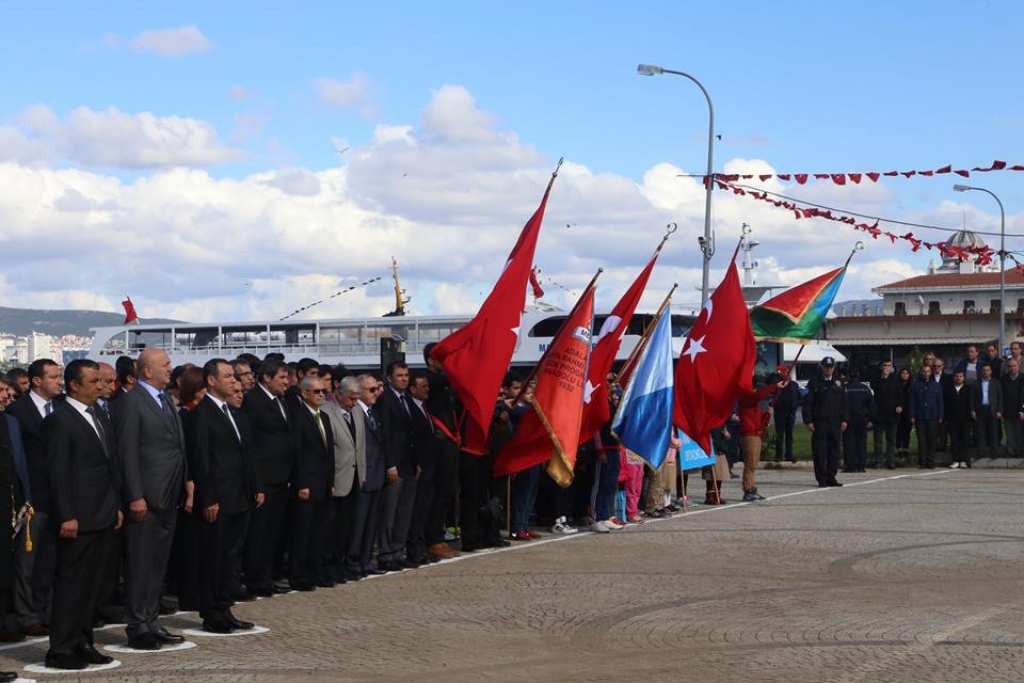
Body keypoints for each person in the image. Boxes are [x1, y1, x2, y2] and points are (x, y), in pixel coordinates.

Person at [44, 360, 122, 670]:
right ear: (74, 385)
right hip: (77, 517)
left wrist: (115, 505)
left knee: (93, 585)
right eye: (93, 382)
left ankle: (83, 641)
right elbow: (57, 472)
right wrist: (66, 515)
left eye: (101, 381)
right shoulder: (60, 420)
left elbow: (108, 465)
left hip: (102, 513)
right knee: (72, 584)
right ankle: (61, 648)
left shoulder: (99, 414)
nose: (100, 387)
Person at [113, 348, 188, 650]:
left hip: (169, 495)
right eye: (165, 364)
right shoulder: (132, 402)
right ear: (146, 371)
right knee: (141, 563)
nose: (171, 368)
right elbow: (127, 452)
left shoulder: (164, 399)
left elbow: (177, 447)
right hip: (146, 496)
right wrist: (135, 495)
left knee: (158, 563)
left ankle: (151, 619)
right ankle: (137, 625)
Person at [185, 360, 262, 632]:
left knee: (229, 557)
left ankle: (224, 606)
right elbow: (201, 459)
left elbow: (245, 454)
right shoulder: (201, 414)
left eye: (234, 376)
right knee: (213, 557)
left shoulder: (233, 412)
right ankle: (211, 612)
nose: (234, 381)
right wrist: (208, 498)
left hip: (239, 495)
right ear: (211, 381)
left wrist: (254, 488)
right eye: (227, 376)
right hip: (217, 498)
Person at [6, 358, 63, 638]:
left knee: (49, 561)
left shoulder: (62, 408)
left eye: (59, 376)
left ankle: (45, 610)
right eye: (53, 377)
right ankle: (26, 614)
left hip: (60, 497)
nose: (59, 381)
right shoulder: (18, 411)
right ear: (37, 381)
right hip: (32, 499)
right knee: (27, 563)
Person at [239, 358, 292, 598]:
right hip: (264, 478)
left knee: (274, 532)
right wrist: (257, 481)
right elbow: (250, 443)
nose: (287, 382)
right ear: (267, 378)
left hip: (282, 477)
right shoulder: (252, 401)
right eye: (282, 377)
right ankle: (255, 578)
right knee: (259, 533)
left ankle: (267, 575)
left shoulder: (281, 400)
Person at [288, 375, 335, 590]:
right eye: (316, 391)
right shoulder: (298, 416)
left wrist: (331, 480)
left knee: (319, 532)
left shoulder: (323, 417)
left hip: (323, 483)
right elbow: (297, 452)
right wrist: (302, 483)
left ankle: (314, 573)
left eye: (323, 391)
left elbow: (329, 452)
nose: (321, 395)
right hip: (307, 483)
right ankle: (298, 575)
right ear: (304, 393)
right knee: (302, 533)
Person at [375, 361, 417, 571]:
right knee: (389, 512)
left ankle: (399, 550)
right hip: (394, 465)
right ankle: (386, 553)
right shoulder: (385, 400)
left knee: (404, 512)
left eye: (406, 375)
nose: (404, 378)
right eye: (399, 375)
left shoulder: (407, 399)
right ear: (389, 378)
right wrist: (390, 464)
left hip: (409, 463)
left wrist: (416, 461)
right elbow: (385, 435)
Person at [320, 375, 364, 581]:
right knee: (330, 527)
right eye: (351, 399)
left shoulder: (357, 412)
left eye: (357, 399)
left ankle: (342, 564)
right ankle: (327, 567)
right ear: (339, 394)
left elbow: (360, 446)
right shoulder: (327, 412)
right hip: (337, 477)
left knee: (346, 526)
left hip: (355, 477)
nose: (354, 403)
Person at [346, 374, 386, 580]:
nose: (376, 393)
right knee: (359, 522)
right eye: (371, 390)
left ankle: (365, 559)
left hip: (376, 473)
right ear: (359, 391)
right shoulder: (354, 412)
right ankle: (353, 562)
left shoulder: (373, 411)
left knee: (371, 522)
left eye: (376, 389)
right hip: (362, 475)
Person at [803, 356, 847, 487]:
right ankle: (821, 479)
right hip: (820, 422)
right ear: (822, 367)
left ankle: (831, 476)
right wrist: (808, 421)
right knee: (820, 451)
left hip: (835, 422)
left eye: (831, 367)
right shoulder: (814, 383)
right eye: (826, 366)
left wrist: (845, 419)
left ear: (834, 368)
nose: (828, 369)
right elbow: (807, 403)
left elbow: (844, 403)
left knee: (834, 451)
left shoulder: (839, 382)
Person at [909, 364, 943, 468]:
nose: (926, 373)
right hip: (920, 416)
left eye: (928, 371)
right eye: (924, 371)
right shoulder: (915, 385)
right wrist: (912, 415)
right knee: (922, 440)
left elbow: (940, 401)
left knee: (932, 440)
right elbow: (912, 401)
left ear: (931, 372)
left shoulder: (936, 385)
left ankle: (930, 461)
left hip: (933, 416)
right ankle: (922, 462)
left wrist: (941, 415)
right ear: (921, 372)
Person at [871, 360, 903, 469]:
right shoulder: (876, 379)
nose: (887, 368)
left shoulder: (895, 380)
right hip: (879, 414)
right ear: (881, 367)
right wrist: (883, 377)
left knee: (891, 440)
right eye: (885, 366)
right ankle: (878, 460)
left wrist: (900, 405)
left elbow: (900, 394)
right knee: (878, 440)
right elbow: (874, 388)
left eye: (889, 366)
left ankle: (890, 461)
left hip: (892, 414)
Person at [842, 371, 875, 473]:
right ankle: (861, 465)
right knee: (861, 442)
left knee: (849, 442)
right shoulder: (865, 388)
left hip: (849, 418)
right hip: (862, 418)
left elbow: (841, 404)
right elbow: (871, 405)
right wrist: (870, 419)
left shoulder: (845, 388)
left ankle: (850, 465)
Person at [970, 362, 1003, 459]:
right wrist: (972, 410)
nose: (985, 372)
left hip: (992, 410)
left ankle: (994, 453)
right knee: (981, 433)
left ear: (991, 371)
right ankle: (981, 453)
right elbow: (972, 398)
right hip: (980, 410)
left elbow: (1000, 398)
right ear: (981, 372)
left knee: (993, 432)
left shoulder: (996, 383)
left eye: (987, 370)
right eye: (984, 370)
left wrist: (1000, 410)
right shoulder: (976, 383)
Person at [945, 370, 974, 469]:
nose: (958, 378)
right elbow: (946, 404)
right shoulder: (949, 389)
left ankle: (963, 460)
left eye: (960, 376)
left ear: (964, 378)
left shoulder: (968, 389)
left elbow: (971, 403)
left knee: (965, 440)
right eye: (956, 376)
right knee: (954, 440)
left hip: (965, 419)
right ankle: (955, 460)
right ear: (954, 377)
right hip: (952, 420)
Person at [772, 365, 800, 463]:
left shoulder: (794, 385)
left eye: (784, 372)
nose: (782, 374)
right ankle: (778, 455)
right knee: (779, 434)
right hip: (780, 413)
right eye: (780, 372)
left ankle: (789, 454)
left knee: (789, 434)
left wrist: (795, 405)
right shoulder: (777, 385)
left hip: (791, 413)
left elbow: (799, 397)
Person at [1000, 357, 1024, 457]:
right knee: (1009, 433)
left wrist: (1022, 410)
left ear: (1018, 366)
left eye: (1014, 366)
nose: (1012, 368)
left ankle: (1019, 452)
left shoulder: (1023, 378)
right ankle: (1011, 452)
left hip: (1020, 411)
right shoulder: (1004, 379)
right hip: (1007, 411)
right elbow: (1001, 396)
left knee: (1019, 433)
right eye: (1010, 366)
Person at [895, 367, 914, 462]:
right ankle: (898, 450)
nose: (904, 375)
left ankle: (905, 451)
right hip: (898, 412)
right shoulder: (896, 385)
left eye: (907, 373)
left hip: (908, 412)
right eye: (903, 373)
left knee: (906, 433)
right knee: (898, 432)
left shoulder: (912, 386)